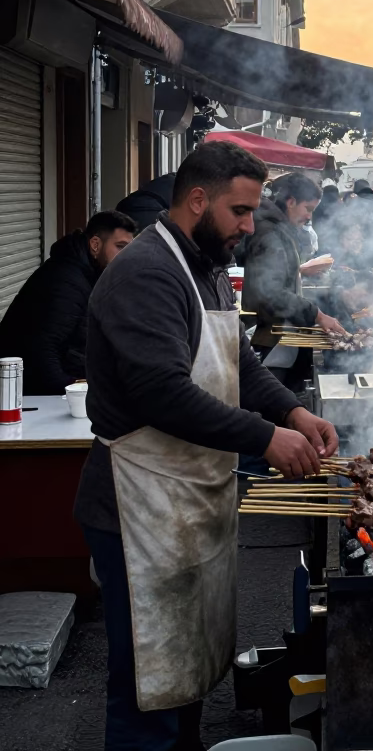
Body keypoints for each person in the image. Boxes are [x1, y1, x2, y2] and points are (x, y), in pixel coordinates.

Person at [74, 141, 339, 751]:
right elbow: (162, 394)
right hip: (137, 509)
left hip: (186, 499)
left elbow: (240, 362)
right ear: (198, 200)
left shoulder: (207, 267)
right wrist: (266, 437)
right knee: (148, 685)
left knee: (184, 670)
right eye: (239, 211)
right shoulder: (146, 273)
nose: (249, 226)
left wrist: (292, 410)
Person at [0, 211, 136, 394]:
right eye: (120, 247)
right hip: (34, 397)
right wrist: (76, 390)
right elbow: (42, 352)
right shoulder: (66, 281)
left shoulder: (90, 274)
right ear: (95, 244)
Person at [242, 172, 345, 361]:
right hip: (275, 341)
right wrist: (317, 314)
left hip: (282, 337)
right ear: (291, 202)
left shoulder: (280, 230)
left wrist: (300, 272)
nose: (309, 216)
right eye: (308, 208)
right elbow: (271, 293)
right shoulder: (270, 234)